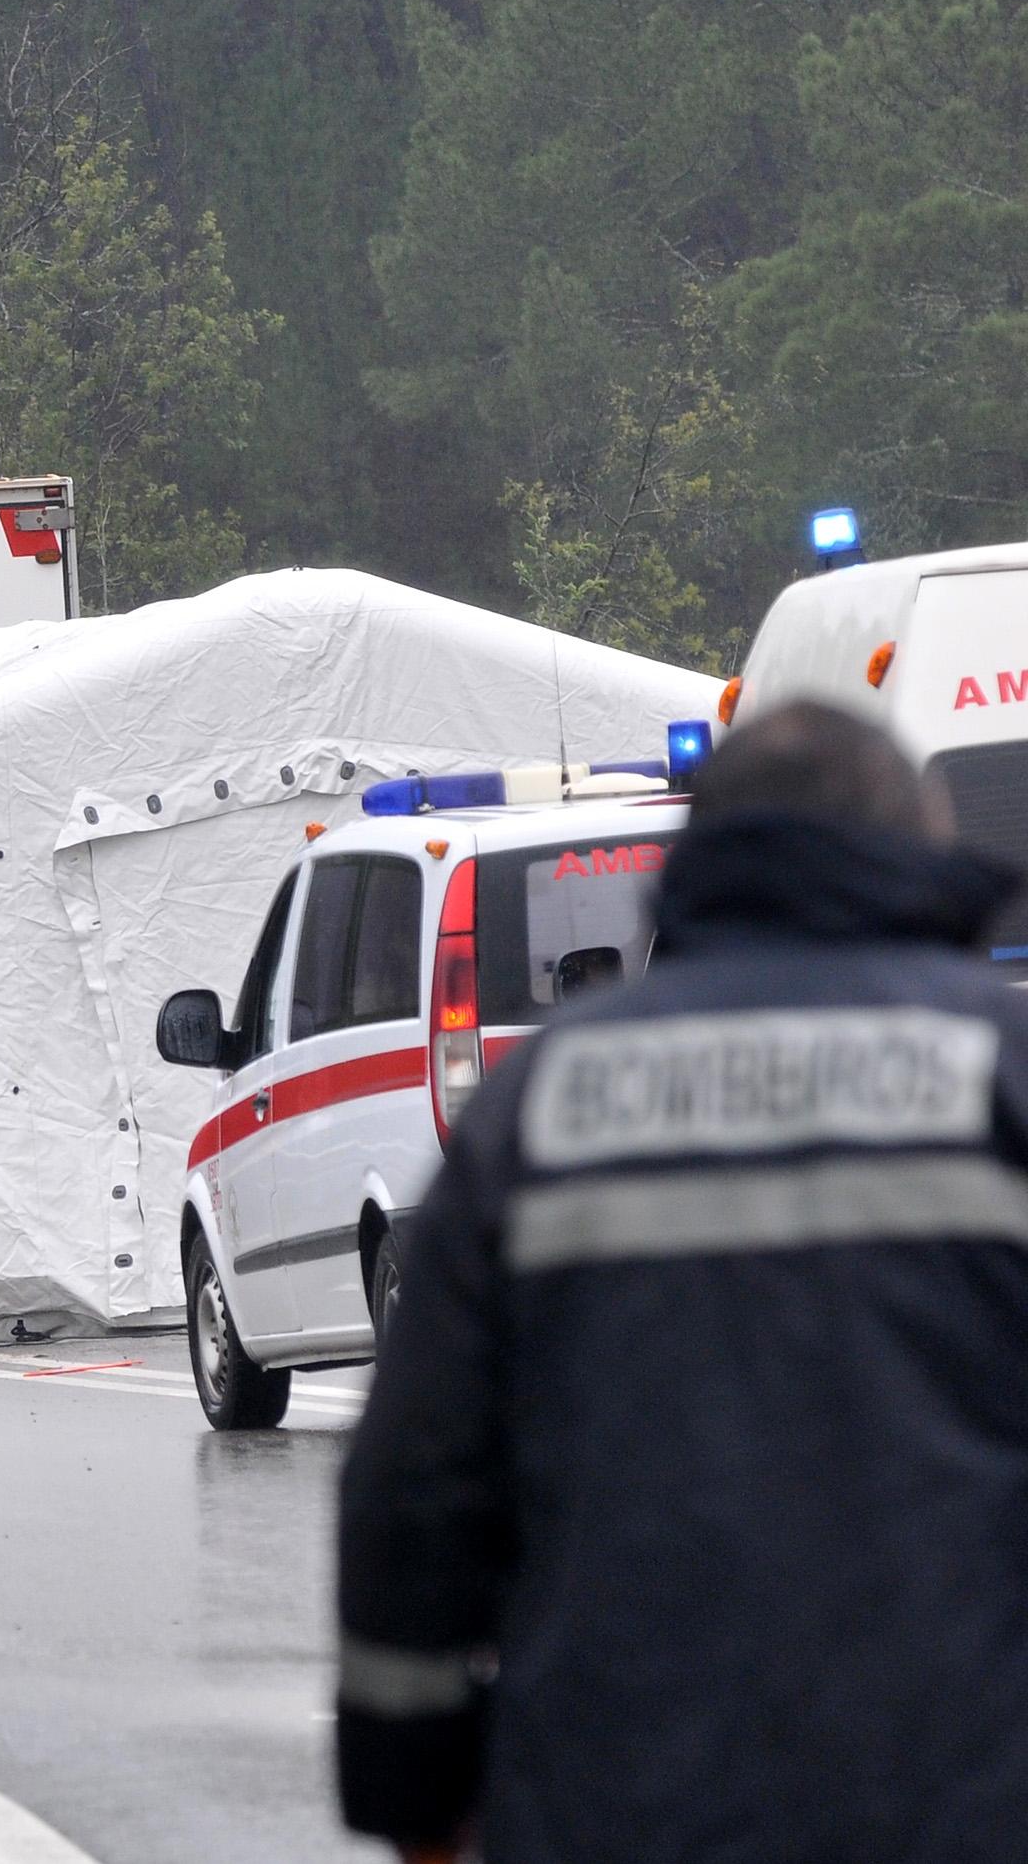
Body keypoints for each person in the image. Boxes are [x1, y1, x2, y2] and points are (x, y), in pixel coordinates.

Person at [337, 702, 1028, 1864]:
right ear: (920, 847)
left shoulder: (539, 1108)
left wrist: (412, 1792)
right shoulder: (1003, 1076)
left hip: (615, 1808)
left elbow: (415, 1485)